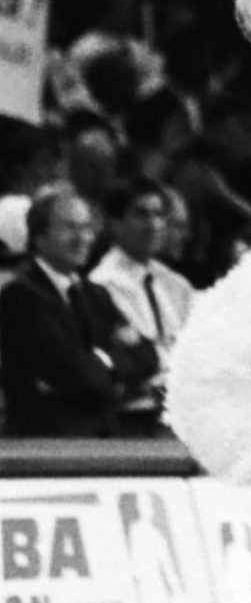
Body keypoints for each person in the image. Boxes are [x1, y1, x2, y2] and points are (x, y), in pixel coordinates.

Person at [0, 184, 160, 438]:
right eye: (70, 228)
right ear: (39, 236)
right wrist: (114, 360)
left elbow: (147, 356)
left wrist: (101, 363)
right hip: (44, 448)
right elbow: (72, 373)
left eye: (86, 228)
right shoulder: (21, 295)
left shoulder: (94, 294)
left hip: (102, 440)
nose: (82, 238)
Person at [89, 179, 196, 421]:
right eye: (141, 214)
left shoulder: (176, 285)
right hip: (136, 414)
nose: (153, 224)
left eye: (159, 214)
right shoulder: (99, 286)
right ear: (115, 223)